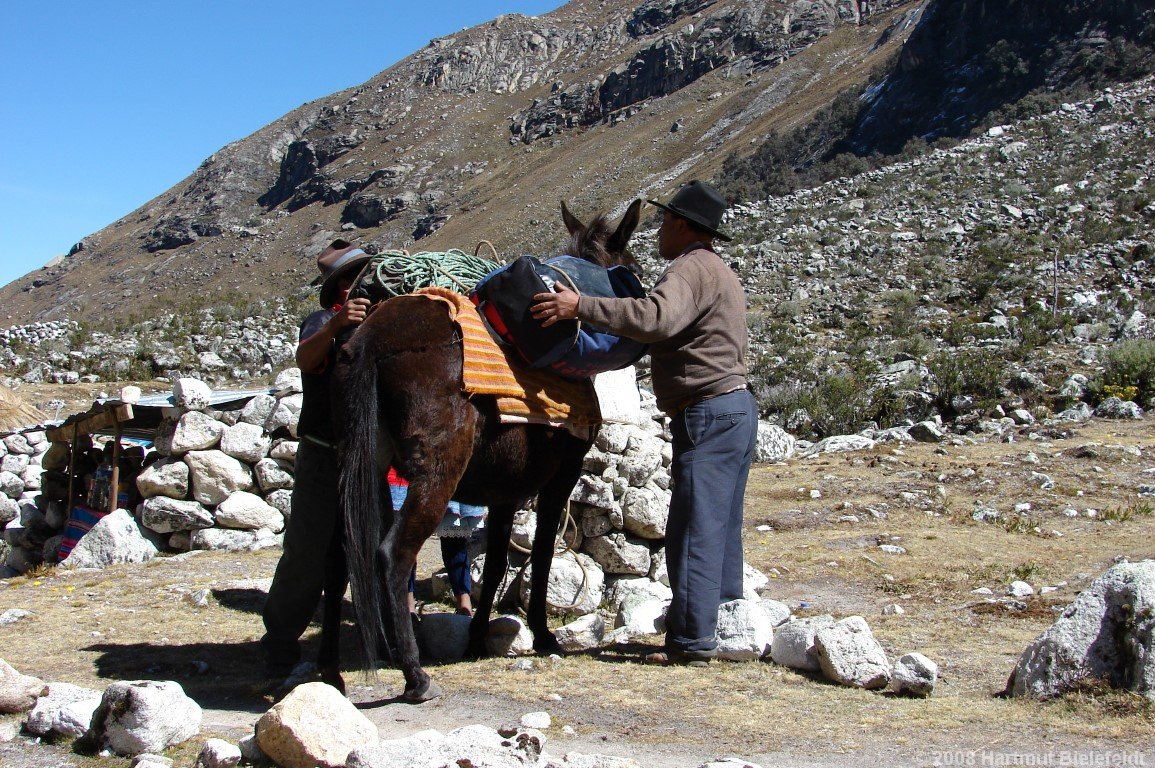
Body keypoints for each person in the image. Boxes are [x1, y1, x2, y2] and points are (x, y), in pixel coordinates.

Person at [530, 180, 757, 666]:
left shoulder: (690, 268)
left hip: (708, 411)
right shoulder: (719, 270)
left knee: (692, 529)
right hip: (734, 410)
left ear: (679, 224)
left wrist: (579, 306)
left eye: (663, 223)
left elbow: (655, 319)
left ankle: (692, 643)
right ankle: (728, 623)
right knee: (718, 524)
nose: (656, 235)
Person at [260, 239, 372, 679]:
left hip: (365, 460)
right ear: (338, 290)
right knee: (307, 552)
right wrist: (339, 324)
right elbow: (306, 357)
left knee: (361, 549)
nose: (359, 286)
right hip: (324, 456)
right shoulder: (322, 321)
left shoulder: (379, 323)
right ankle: (281, 639)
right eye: (351, 279)